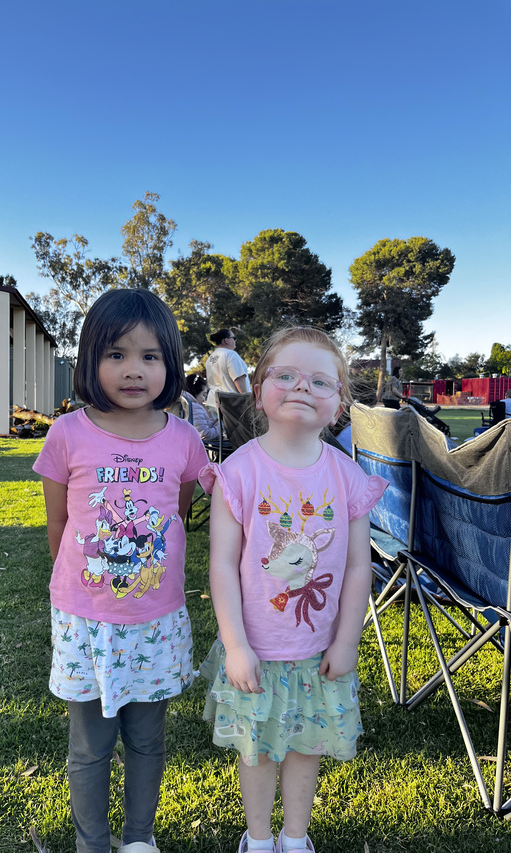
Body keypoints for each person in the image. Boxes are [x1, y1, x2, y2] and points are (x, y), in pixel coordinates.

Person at [198, 327, 388, 853]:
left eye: (320, 381)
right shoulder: (238, 472)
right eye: (286, 375)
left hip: (318, 654)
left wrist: (347, 641)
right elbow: (222, 566)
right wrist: (235, 645)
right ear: (258, 391)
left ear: (339, 405)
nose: (302, 386)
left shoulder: (347, 476)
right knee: (257, 750)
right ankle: (259, 840)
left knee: (307, 747)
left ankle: (295, 838)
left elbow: (358, 567)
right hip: (255, 650)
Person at [32, 289, 208, 853]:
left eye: (150, 356)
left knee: (147, 741)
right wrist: (86, 589)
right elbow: (58, 526)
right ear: (91, 358)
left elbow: (177, 513)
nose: (134, 370)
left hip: (156, 619)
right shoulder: (66, 434)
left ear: (170, 363)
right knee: (89, 747)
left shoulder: (185, 439)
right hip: (85, 622)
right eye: (116, 354)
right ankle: (92, 843)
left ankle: (138, 840)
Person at [205, 328, 251, 418]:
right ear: (226, 340)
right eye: (234, 338)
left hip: (213, 402)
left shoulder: (210, 359)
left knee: (220, 427)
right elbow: (239, 379)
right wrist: (247, 404)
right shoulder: (231, 355)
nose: (235, 341)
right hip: (232, 406)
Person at [182, 373, 222, 442]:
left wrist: (216, 422)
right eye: (203, 394)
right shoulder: (195, 408)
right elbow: (205, 435)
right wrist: (221, 425)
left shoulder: (183, 403)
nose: (204, 399)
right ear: (195, 392)